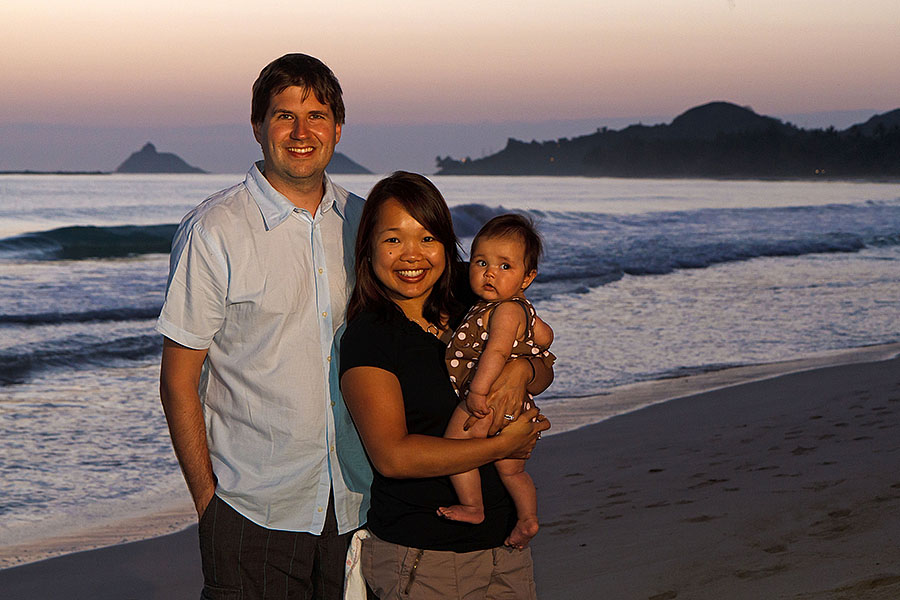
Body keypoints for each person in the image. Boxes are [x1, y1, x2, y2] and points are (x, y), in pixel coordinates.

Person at [157, 53, 371, 600]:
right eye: (283, 116)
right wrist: (210, 507)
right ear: (257, 127)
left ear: (338, 128)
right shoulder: (215, 231)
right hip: (253, 512)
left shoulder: (367, 225)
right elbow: (179, 380)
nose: (302, 132)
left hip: (361, 505)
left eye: (317, 115)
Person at [339, 172, 552, 599]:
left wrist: (521, 372)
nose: (411, 256)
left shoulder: (472, 294)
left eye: (428, 238)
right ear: (368, 247)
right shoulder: (370, 336)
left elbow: (544, 364)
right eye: (393, 239)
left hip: (507, 550)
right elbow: (393, 457)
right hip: (423, 559)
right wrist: (501, 447)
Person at [437, 214, 555, 550]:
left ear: (527, 277)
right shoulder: (519, 308)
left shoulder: (503, 311)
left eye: (505, 266)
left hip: (488, 399)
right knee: (513, 472)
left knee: (456, 447)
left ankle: (473, 507)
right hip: (516, 406)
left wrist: (476, 391)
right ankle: (528, 518)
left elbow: (497, 353)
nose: (490, 272)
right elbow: (545, 337)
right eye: (481, 262)